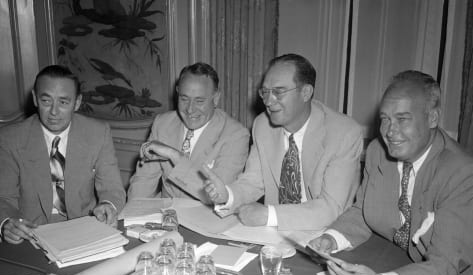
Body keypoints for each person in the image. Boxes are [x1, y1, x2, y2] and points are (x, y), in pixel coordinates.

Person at [308, 70, 473, 275]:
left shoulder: (462, 173)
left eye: (402, 119)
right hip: (407, 272)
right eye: (385, 119)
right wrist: (330, 238)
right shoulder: (377, 152)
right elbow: (362, 211)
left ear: (432, 117)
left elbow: (446, 266)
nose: (389, 132)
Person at [202, 54, 364, 231]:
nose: (269, 102)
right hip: (274, 234)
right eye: (265, 92)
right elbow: (254, 181)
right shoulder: (262, 125)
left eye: (278, 92)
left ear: (306, 93)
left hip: (325, 235)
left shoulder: (344, 133)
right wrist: (227, 195)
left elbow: (331, 207)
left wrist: (269, 215)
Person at [0, 65, 126, 244]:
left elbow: (113, 189)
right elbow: (4, 197)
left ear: (77, 102)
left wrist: (108, 206)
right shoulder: (10, 138)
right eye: (46, 101)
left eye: (63, 102)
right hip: (30, 235)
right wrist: (6, 222)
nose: (53, 112)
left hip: (84, 230)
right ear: (35, 99)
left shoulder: (98, 132)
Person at [128, 62, 250, 204]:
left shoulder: (236, 135)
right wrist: (130, 216)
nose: (190, 109)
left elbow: (217, 196)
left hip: (208, 220)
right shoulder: (162, 123)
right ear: (177, 93)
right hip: (168, 217)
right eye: (184, 99)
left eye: (199, 101)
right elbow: (143, 182)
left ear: (216, 98)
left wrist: (175, 156)